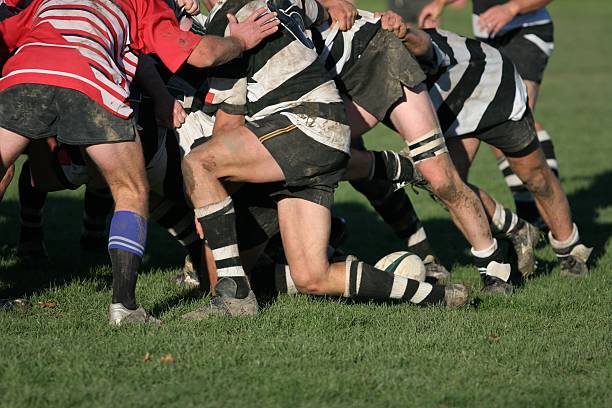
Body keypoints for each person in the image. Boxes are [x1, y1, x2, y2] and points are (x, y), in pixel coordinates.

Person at [179, 0, 470, 319]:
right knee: (311, 277)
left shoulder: (226, 19)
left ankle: (234, 298)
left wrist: (206, 198)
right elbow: (321, 11)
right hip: (325, 131)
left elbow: (229, 121)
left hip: (302, 124)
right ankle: (438, 296)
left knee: (198, 163)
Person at [0, 0, 280, 325]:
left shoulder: (43, 1)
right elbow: (201, 53)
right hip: (90, 78)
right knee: (131, 189)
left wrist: (160, 96)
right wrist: (240, 40)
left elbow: (7, 36)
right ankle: (125, 307)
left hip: (24, 75)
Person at [363, 11, 591, 279]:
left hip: (490, 86)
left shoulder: (370, 35)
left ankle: (570, 250)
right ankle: (516, 233)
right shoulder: (338, 65)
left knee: (536, 176)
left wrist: (405, 32)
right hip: (449, 109)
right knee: (448, 186)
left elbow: (424, 45)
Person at [418, 0, 559, 226]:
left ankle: (547, 208)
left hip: (526, 31)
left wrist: (512, 8)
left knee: (517, 115)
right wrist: (440, 4)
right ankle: (528, 213)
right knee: (495, 121)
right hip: (488, 37)